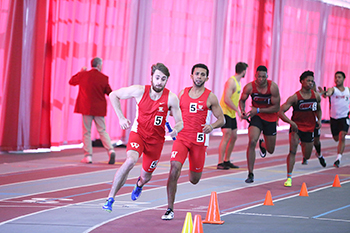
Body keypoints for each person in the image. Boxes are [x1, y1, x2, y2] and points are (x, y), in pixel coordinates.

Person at [102, 63, 183, 212]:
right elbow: (114, 95)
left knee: (146, 177)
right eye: (157, 77)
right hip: (138, 134)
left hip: (156, 143)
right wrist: (121, 117)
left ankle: (139, 184)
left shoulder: (171, 98)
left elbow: (180, 122)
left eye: (163, 79)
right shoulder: (139, 91)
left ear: (166, 80)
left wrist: (176, 130)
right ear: (151, 77)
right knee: (130, 161)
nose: (159, 82)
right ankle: (110, 198)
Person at [161, 63, 225, 220]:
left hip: (198, 141)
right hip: (181, 138)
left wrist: (212, 126)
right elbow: (172, 110)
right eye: (197, 74)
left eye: (203, 74)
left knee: (194, 180)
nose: (199, 77)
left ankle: (193, 166)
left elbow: (222, 119)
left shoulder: (210, 97)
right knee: (174, 168)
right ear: (191, 76)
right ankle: (170, 208)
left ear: (207, 78)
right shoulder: (183, 93)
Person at [69, 57, 116, 164]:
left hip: (86, 107)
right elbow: (109, 92)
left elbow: (71, 81)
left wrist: (80, 72)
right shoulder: (104, 78)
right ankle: (110, 150)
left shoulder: (83, 75)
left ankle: (88, 156)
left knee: (86, 132)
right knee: (102, 131)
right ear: (99, 65)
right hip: (99, 108)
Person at [279, 71, 322, 187]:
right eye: (308, 80)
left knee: (307, 155)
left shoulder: (316, 96)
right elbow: (280, 112)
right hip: (296, 128)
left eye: (312, 81)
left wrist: (319, 120)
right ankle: (289, 178)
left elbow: (319, 109)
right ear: (301, 81)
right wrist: (291, 122)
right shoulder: (295, 97)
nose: (310, 83)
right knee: (292, 151)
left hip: (309, 129)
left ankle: (310, 151)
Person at [239, 65, 280, 183]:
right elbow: (242, 100)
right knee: (252, 141)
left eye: (264, 77)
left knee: (271, 150)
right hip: (256, 118)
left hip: (270, 117)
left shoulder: (272, 87)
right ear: (255, 76)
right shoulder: (249, 87)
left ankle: (263, 146)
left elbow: (276, 107)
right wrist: (242, 111)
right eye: (259, 77)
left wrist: (258, 110)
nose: (261, 79)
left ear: (267, 76)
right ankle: (250, 173)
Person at [217, 62, 248, 170]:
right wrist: (237, 111)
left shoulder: (238, 82)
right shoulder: (231, 81)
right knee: (227, 135)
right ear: (243, 71)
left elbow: (235, 100)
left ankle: (227, 160)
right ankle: (220, 162)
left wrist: (240, 110)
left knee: (234, 136)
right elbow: (226, 99)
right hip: (225, 111)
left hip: (231, 113)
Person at [318, 71, 350, 168]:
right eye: (336, 77)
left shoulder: (348, 90)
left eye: (339, 77)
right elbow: (328, 93)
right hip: (334, 119)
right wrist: (325, 94)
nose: (337, 79)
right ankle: (338, 157)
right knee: (336, 138)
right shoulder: (333, 89)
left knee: (342, 136)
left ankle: (338, 159)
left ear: (344, 79)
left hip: (344, 117)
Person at [302, 81, 326, 167]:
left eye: (313, 85)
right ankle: (305, 156)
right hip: (305, 123)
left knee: (316, 141)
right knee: (306, 140)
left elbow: (323, 96)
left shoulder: (316, 95)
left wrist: (319, 120)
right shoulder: (302, 96)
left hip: (315, 122)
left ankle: (319, 154)